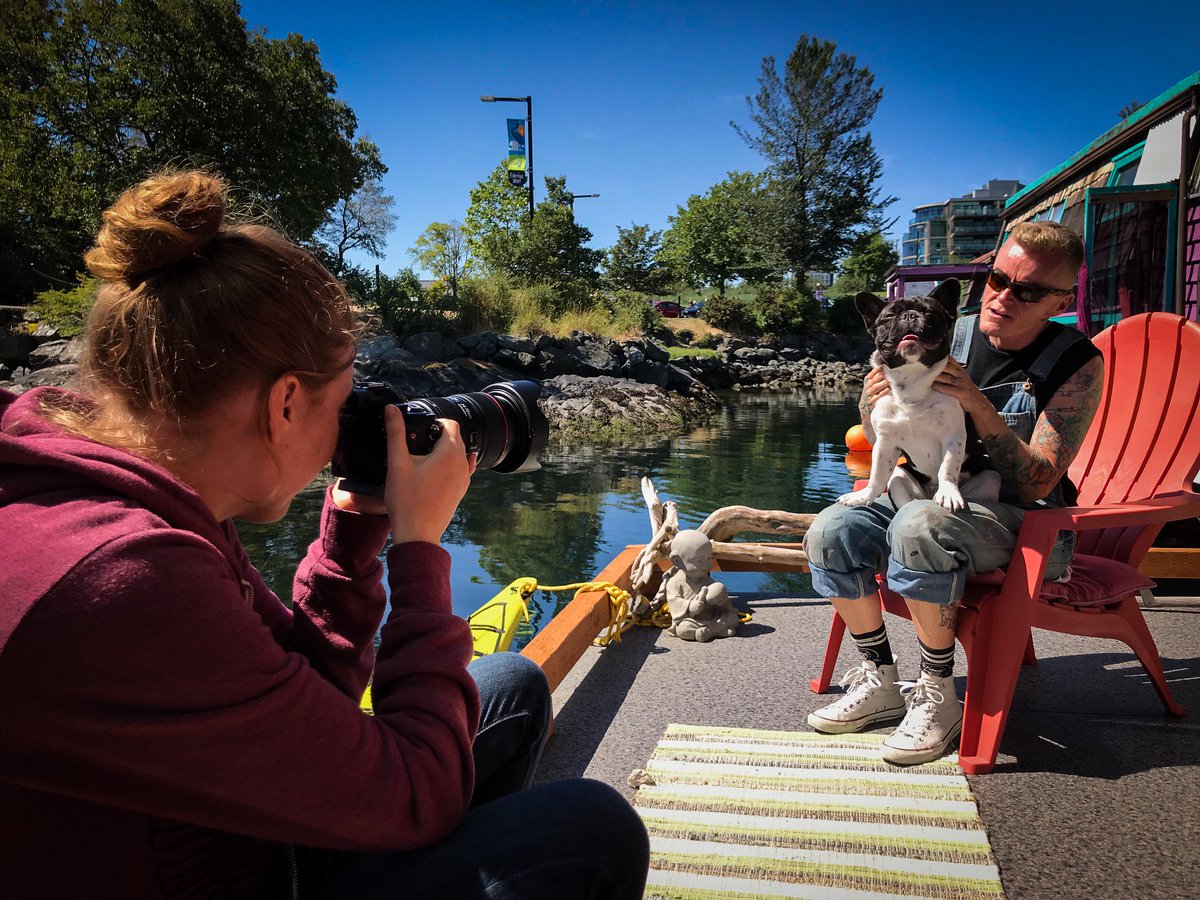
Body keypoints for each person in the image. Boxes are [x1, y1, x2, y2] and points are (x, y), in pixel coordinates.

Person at [0, 170, 649, 898]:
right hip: (228, 870)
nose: (344, 437)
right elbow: (418, 794)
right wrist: (418, 550)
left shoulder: (137, 495)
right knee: (593, 829)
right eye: (342, 407)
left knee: (514, 684)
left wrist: (350, 534)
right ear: (284, 404)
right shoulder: (125, 574)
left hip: (234, 841)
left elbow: (309, 694)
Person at [803, 221, 1104, 765]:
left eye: (1028, 290)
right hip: (926, 493)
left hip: (1030, 524)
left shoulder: (1073, 362)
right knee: (831, 530)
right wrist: (871, 404)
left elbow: (1039, 480)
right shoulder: (942, 330)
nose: (1004, 296)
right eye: (997, 279)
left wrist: (977, 404)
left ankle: (937, 694)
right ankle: (881, 677)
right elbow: (881, 437)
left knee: (918, 524)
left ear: (1062, 298)